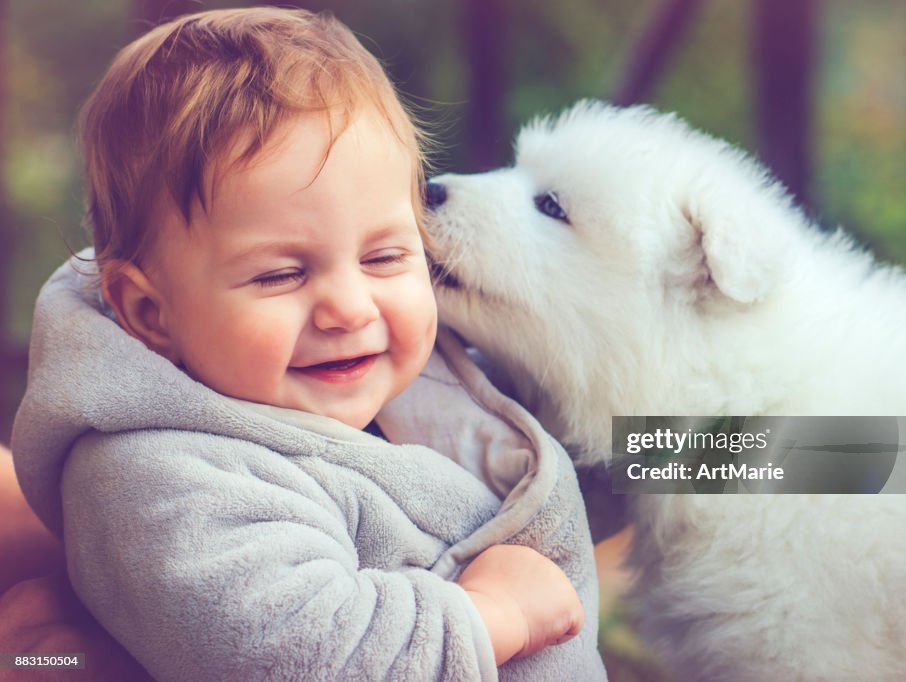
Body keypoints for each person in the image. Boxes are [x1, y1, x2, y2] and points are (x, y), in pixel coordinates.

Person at [11, 8, 605, 681]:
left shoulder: (425, 376)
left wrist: (742, 443)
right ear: (152, 313)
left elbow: (599, 460)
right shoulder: (161, 478)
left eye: (384, 257)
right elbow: (299, 656)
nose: (350, 308)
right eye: (281, 274)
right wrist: (490, 617)